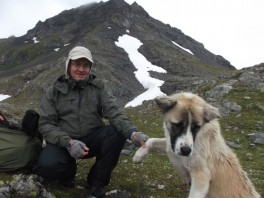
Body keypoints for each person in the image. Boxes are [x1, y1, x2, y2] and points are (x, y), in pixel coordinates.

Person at [34, 46, 149, 197]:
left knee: (116, 132)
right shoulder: (53, 91)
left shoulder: (98, 88)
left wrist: (132, 133)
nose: (81, 69)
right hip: (64, 142)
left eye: (86, 65)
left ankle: (97, 183)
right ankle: (68, 171)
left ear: (90, 67)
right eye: (77, 64)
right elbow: (45, 124)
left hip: (91, 139)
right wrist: (68, 142)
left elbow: (114, 112)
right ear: (68, 65)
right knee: (46, 167)